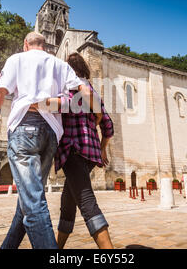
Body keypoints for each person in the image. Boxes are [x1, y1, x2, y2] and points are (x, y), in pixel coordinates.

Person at [0, 32, 99, 249]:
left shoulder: (16, 59)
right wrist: (96, 115)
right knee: (26, 202)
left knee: (33, 204)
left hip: (24, 130)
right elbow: (82, 98)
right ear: (45, 45)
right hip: (51, 136)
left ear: (25, 44)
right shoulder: (61, 65)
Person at [54, 52, 114, 249]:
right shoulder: (92, 92)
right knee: (68, 202)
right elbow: (108, 126)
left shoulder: (65, 91)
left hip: (72, 151)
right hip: (90, 155)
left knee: (87, 203)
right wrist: (102, 149)